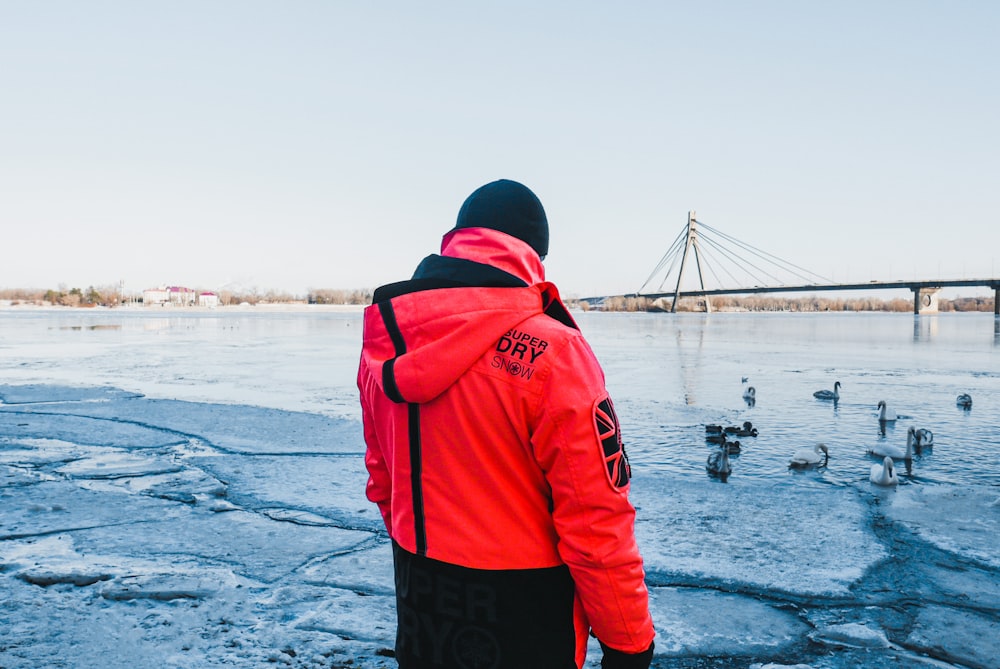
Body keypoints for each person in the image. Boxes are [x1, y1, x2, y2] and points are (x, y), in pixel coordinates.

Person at [358, 179, 655, 668]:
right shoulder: (555, 352)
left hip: (422, 612)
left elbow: (383, 479)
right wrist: (629, 643)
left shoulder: (387, 342)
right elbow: (595, 518)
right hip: (524, 623)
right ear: (535, 255)